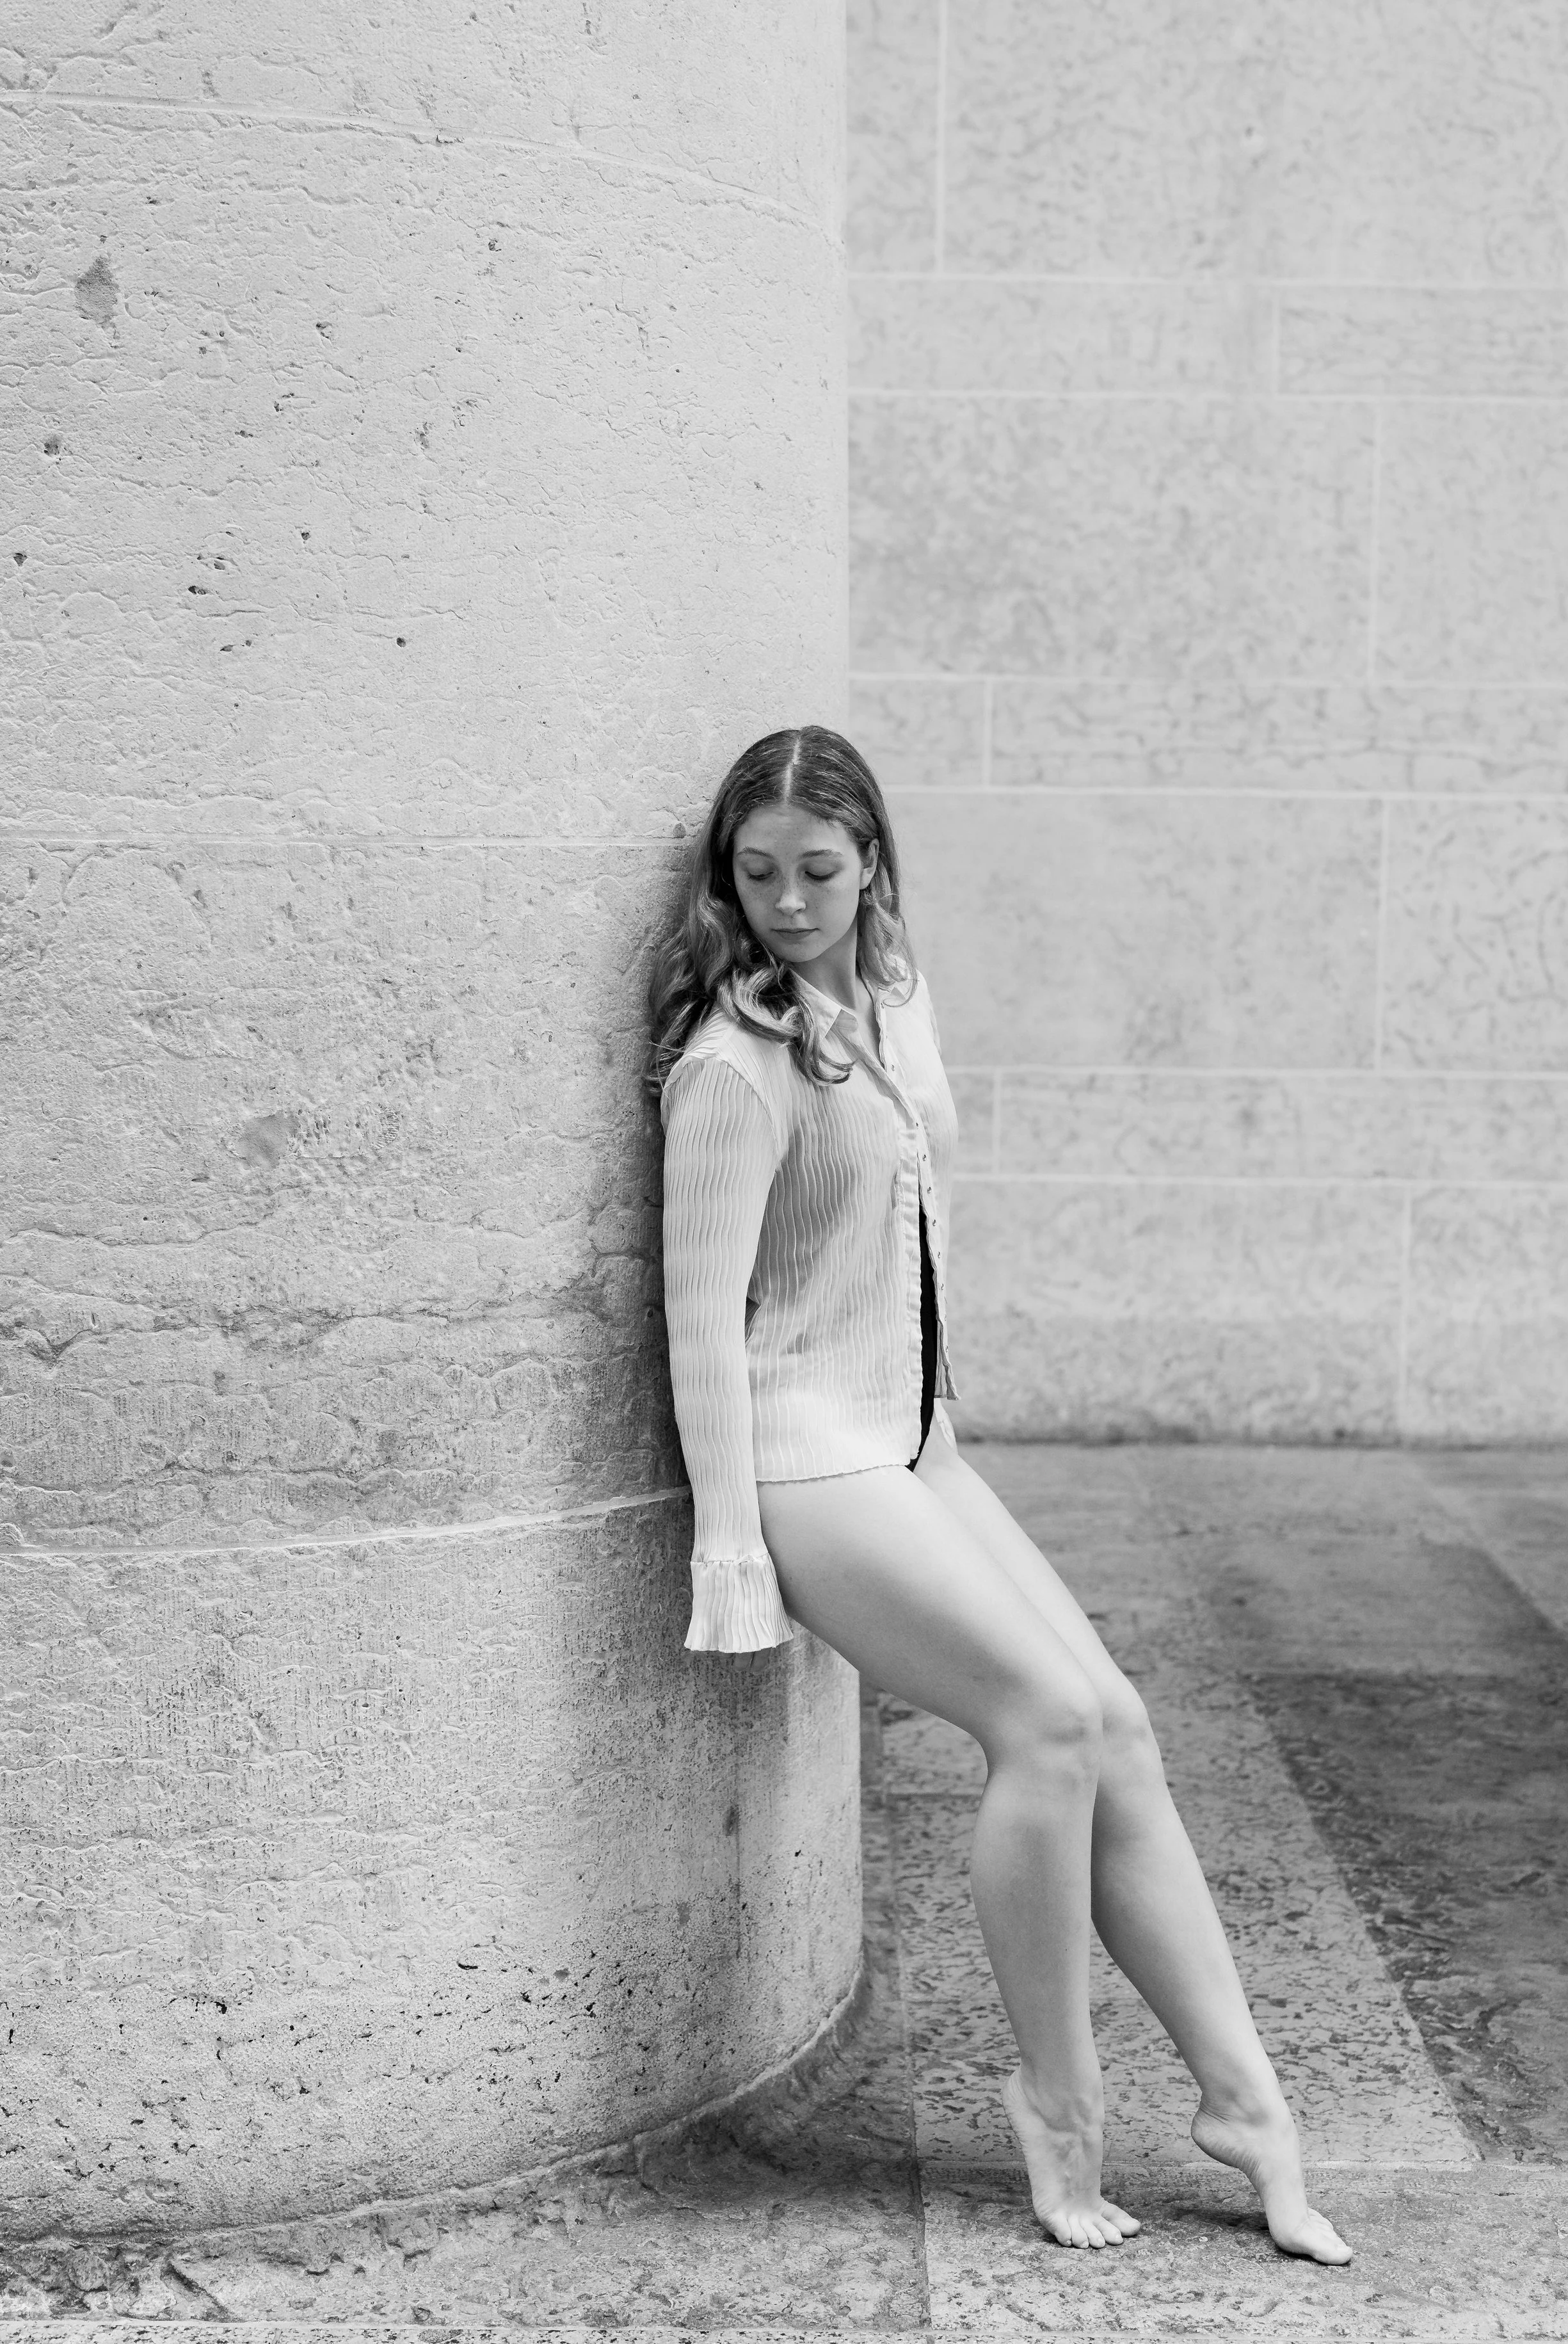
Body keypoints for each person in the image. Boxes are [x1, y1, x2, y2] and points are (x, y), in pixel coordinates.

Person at [646, 725, 1351, 2264]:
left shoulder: (889, 1000)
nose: (786, 902)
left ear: (871, 864)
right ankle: (1056, 2099)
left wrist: (941, 1427)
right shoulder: (730, 1065)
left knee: (1118, 1729)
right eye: (755, 874)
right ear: (725, 880)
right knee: (1042, 1725)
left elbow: (919, 1224)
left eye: (816, 870)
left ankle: (1246, 2106)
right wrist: (730, 1557)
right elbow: (699, 1325)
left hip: (912, 1441)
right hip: (805, 1456)